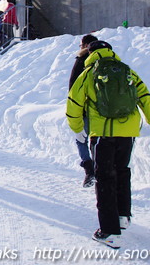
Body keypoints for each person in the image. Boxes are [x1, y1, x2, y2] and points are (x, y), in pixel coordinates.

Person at [67, 40, 150, 249]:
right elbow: (145, 97)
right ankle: (123, 216)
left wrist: (77, 129)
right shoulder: (126, 71)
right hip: (128, 133)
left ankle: (109, 232)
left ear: (90, 53)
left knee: (104, 179)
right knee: (122, 171)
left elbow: (74, 103)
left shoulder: (89, 73)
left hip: (102, 134)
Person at [68, 34, 99, 187]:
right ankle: (99, 167)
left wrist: (75, 112)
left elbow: (73, 88)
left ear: (86, 45)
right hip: (101, 111)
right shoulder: (103, 62)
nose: (79, 48)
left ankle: (89, 169)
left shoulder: (81, 61)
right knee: (97, 140)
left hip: (85, 109)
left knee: (81, 140)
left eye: (81, 45)